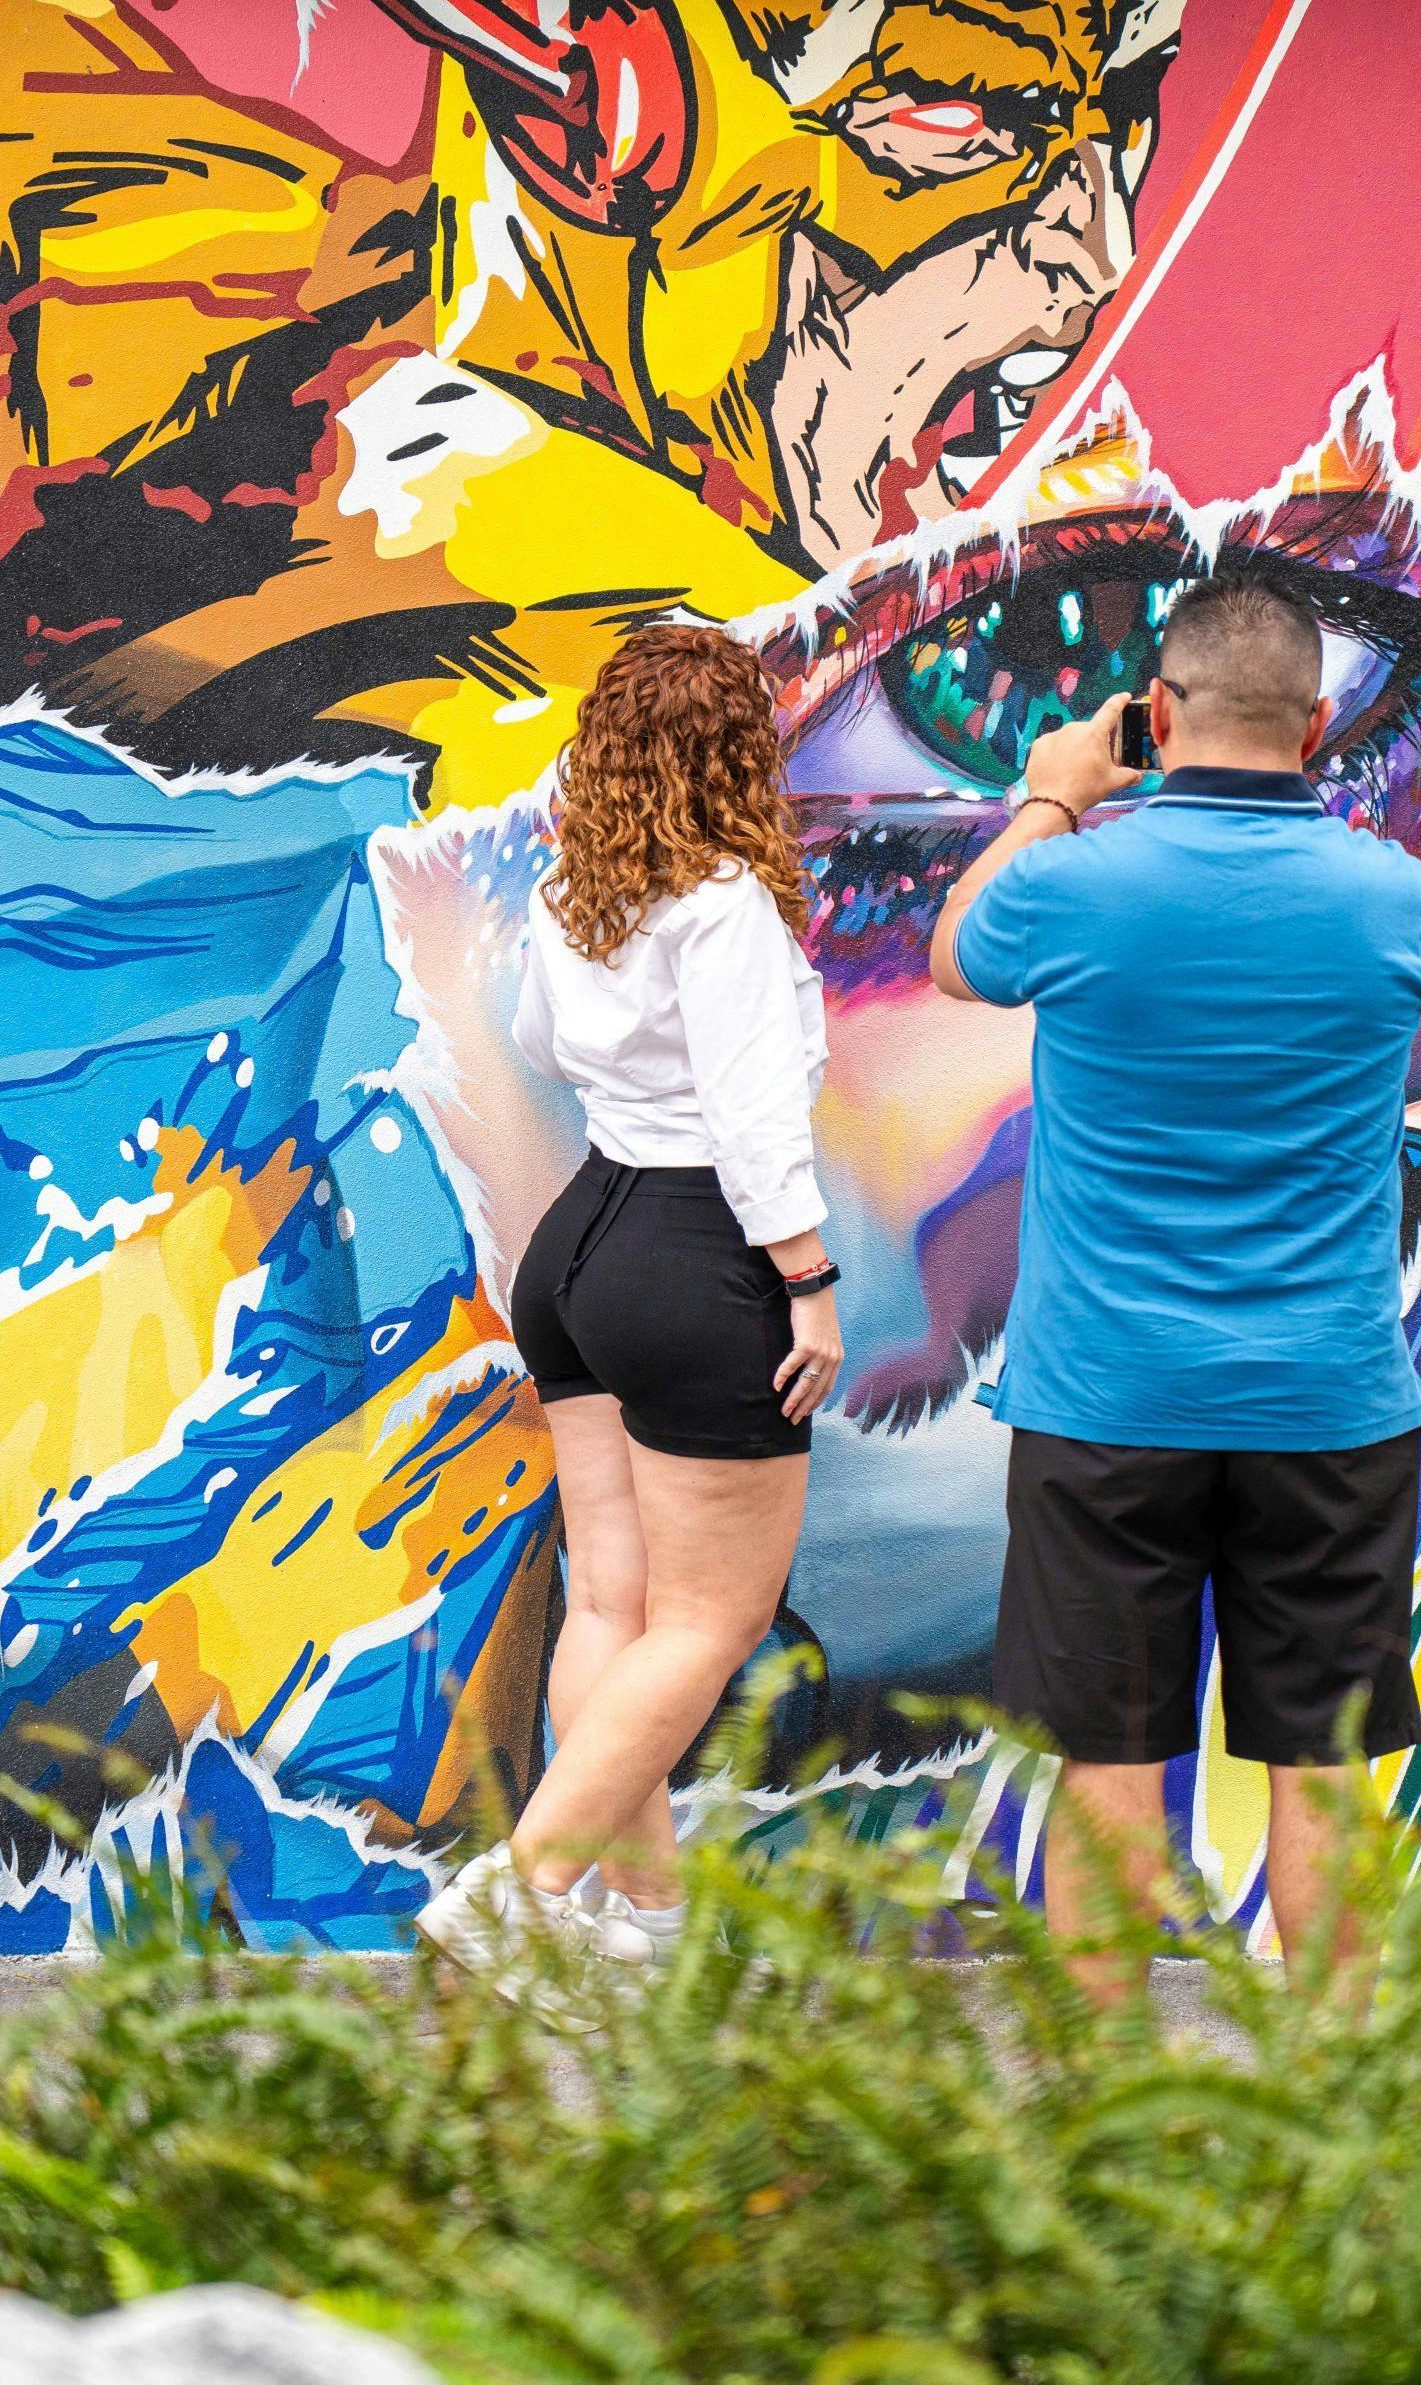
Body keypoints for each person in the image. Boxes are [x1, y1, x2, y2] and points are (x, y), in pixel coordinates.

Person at [928, 548, 1421, 1997]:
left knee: (1107, 1763)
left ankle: (1104, 2107)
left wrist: (1052, 794)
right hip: (1327, 1404)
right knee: (1323, 1768)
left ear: (1157, 711)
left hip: (1108, 1400)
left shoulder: (1076, 886)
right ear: (1320, 723)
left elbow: (959, 954)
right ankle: (1336, 2084)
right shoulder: (1394, 899)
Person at [418, 623, 843, 1990]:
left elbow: (545, 1048)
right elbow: (755, 1121)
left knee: (610, 1599)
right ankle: (519, 1894)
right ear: (740, 755)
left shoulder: (575, 897)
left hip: (581, 1246)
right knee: (713, 1619)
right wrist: (810, 1285)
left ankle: (643, 1924)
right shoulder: (725, 905)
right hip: (696, 1250)